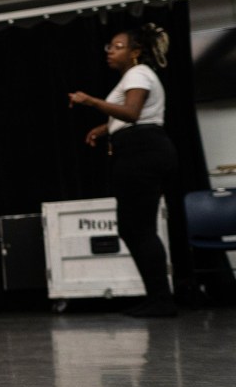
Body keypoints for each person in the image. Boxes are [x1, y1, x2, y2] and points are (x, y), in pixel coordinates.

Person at [69, 23, 178, 317]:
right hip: (142, 148)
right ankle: (158, 297)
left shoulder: (137, 73)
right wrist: (105, 129)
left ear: (135, 52)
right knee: (135, 227)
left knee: (138, 227)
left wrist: (90, 101)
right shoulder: (133, 76)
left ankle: (161, 300)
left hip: (142, 151)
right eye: (109, 46)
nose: (110, 51)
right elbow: (134, 116)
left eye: (118, 46)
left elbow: (132, 113)